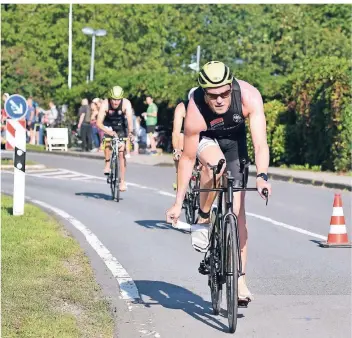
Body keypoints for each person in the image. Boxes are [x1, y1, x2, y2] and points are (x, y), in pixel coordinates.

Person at [166, 61, 272, 301]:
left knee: (237, 214)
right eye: (213, 96)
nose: (221, 100)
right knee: (216, 165)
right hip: (207, 140)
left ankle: (240, 279)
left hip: (235, 144)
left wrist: (262, 176)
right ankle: (203, 217)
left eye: (225, 93)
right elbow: (188, 157)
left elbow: (260, 144)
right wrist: (177, 202)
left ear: (231, 86)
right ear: (205, 93)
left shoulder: (249, 97)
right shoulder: (195, 110)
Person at [96, 86, 134, 192]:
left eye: (118, 100)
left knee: (121, 153)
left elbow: (130, 121)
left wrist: (130, 132)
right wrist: (109, 132)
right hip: (108, 125)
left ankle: (122, 181)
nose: (115, 102)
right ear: (110, 98)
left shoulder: (126, 104)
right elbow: (99, 123)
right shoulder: (105, 104)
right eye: (113, 99)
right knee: (107, 141)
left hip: (121, 126)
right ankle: (107, 163)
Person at [172, 87, 198, 190]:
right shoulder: (182, 107)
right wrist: (176, 150)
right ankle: (180, 177)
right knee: (181, 138)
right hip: (185, 135)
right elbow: (176, 132)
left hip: (201, 134)